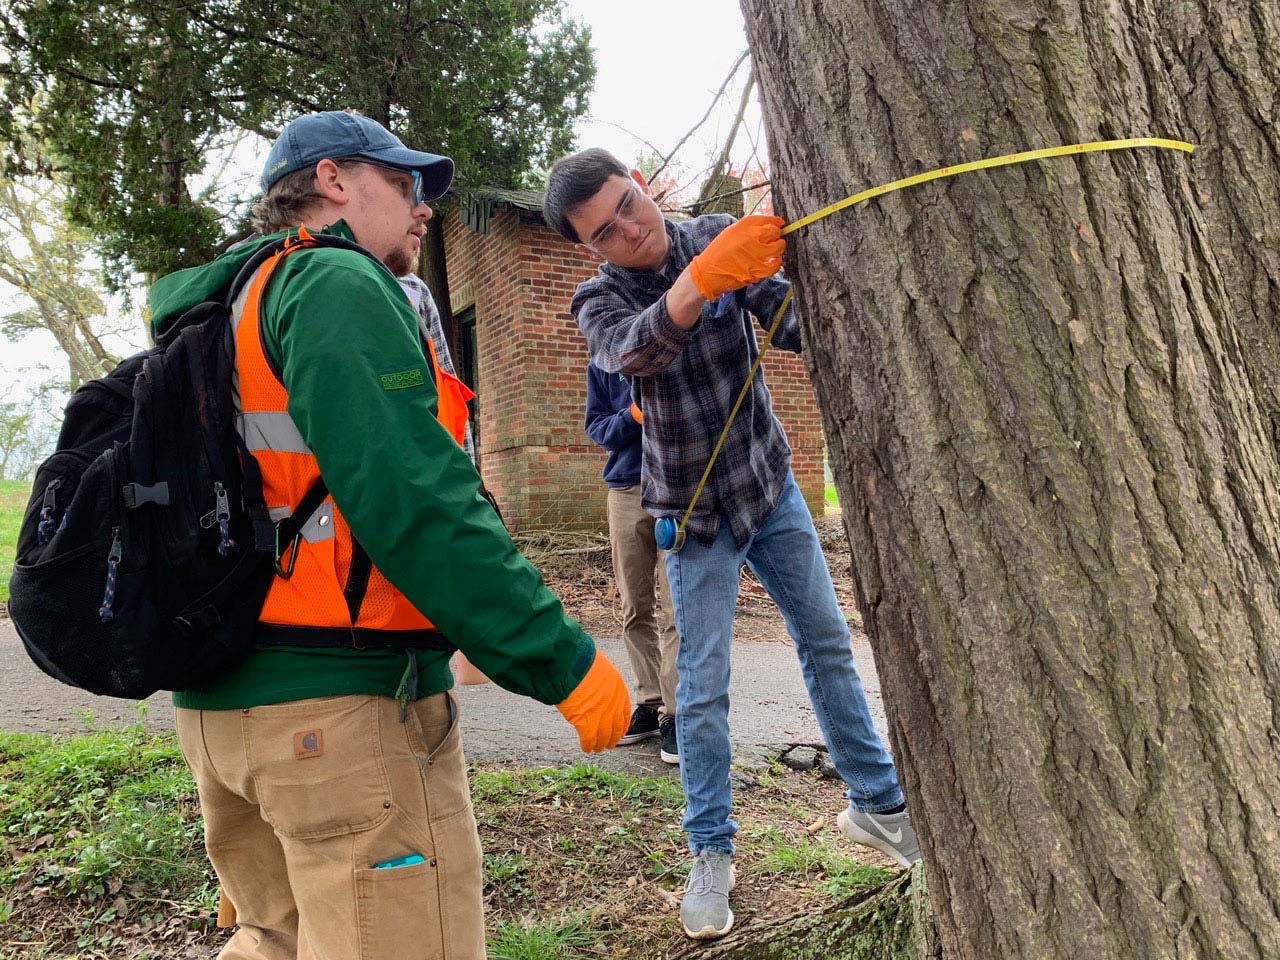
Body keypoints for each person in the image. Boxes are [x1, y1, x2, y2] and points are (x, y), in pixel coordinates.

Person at [150, 112, 631, 960]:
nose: (424, 210)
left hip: (224, 722)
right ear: (334, 181)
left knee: (274, 942)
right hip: (339, 721)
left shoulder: (231, 301)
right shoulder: (335, 283)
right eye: (405, 185)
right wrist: (557, 659)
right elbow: (416, 496)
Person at [543, 148, 921, 941]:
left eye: (629, 205)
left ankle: (878, 803)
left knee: (826, 642)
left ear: (642, 188)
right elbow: (635, 352)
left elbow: (791, 325)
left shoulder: (715, 235)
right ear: (591, 247)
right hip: (692, 515)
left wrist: (797, 271)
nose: (630, 230)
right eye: (605, 231)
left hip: (768, 486)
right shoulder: (598, 299)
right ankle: (711, 850)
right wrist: (701, 283)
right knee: (704, 687)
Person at [585, 360, 680, 764]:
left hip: (678, 490)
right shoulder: (602, 364)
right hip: (625, 491)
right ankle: (649, 700)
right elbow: (596, 427)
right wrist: (633, 416)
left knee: (677, 608)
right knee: (634, 606)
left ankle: (677, 715)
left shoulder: (677, 348)